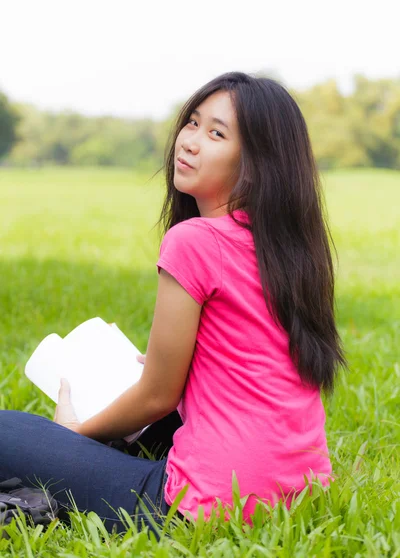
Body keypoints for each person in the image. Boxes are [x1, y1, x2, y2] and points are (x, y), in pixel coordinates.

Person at [0, 71, 347, 534]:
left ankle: (32, 500)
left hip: (195, 505)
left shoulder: (195, 241)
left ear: (256, 163)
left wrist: (74, 436)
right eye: (193, 122)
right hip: (297, 498)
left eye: (216, 133)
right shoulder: (292, 250)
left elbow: (155, 397)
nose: (190, 141)